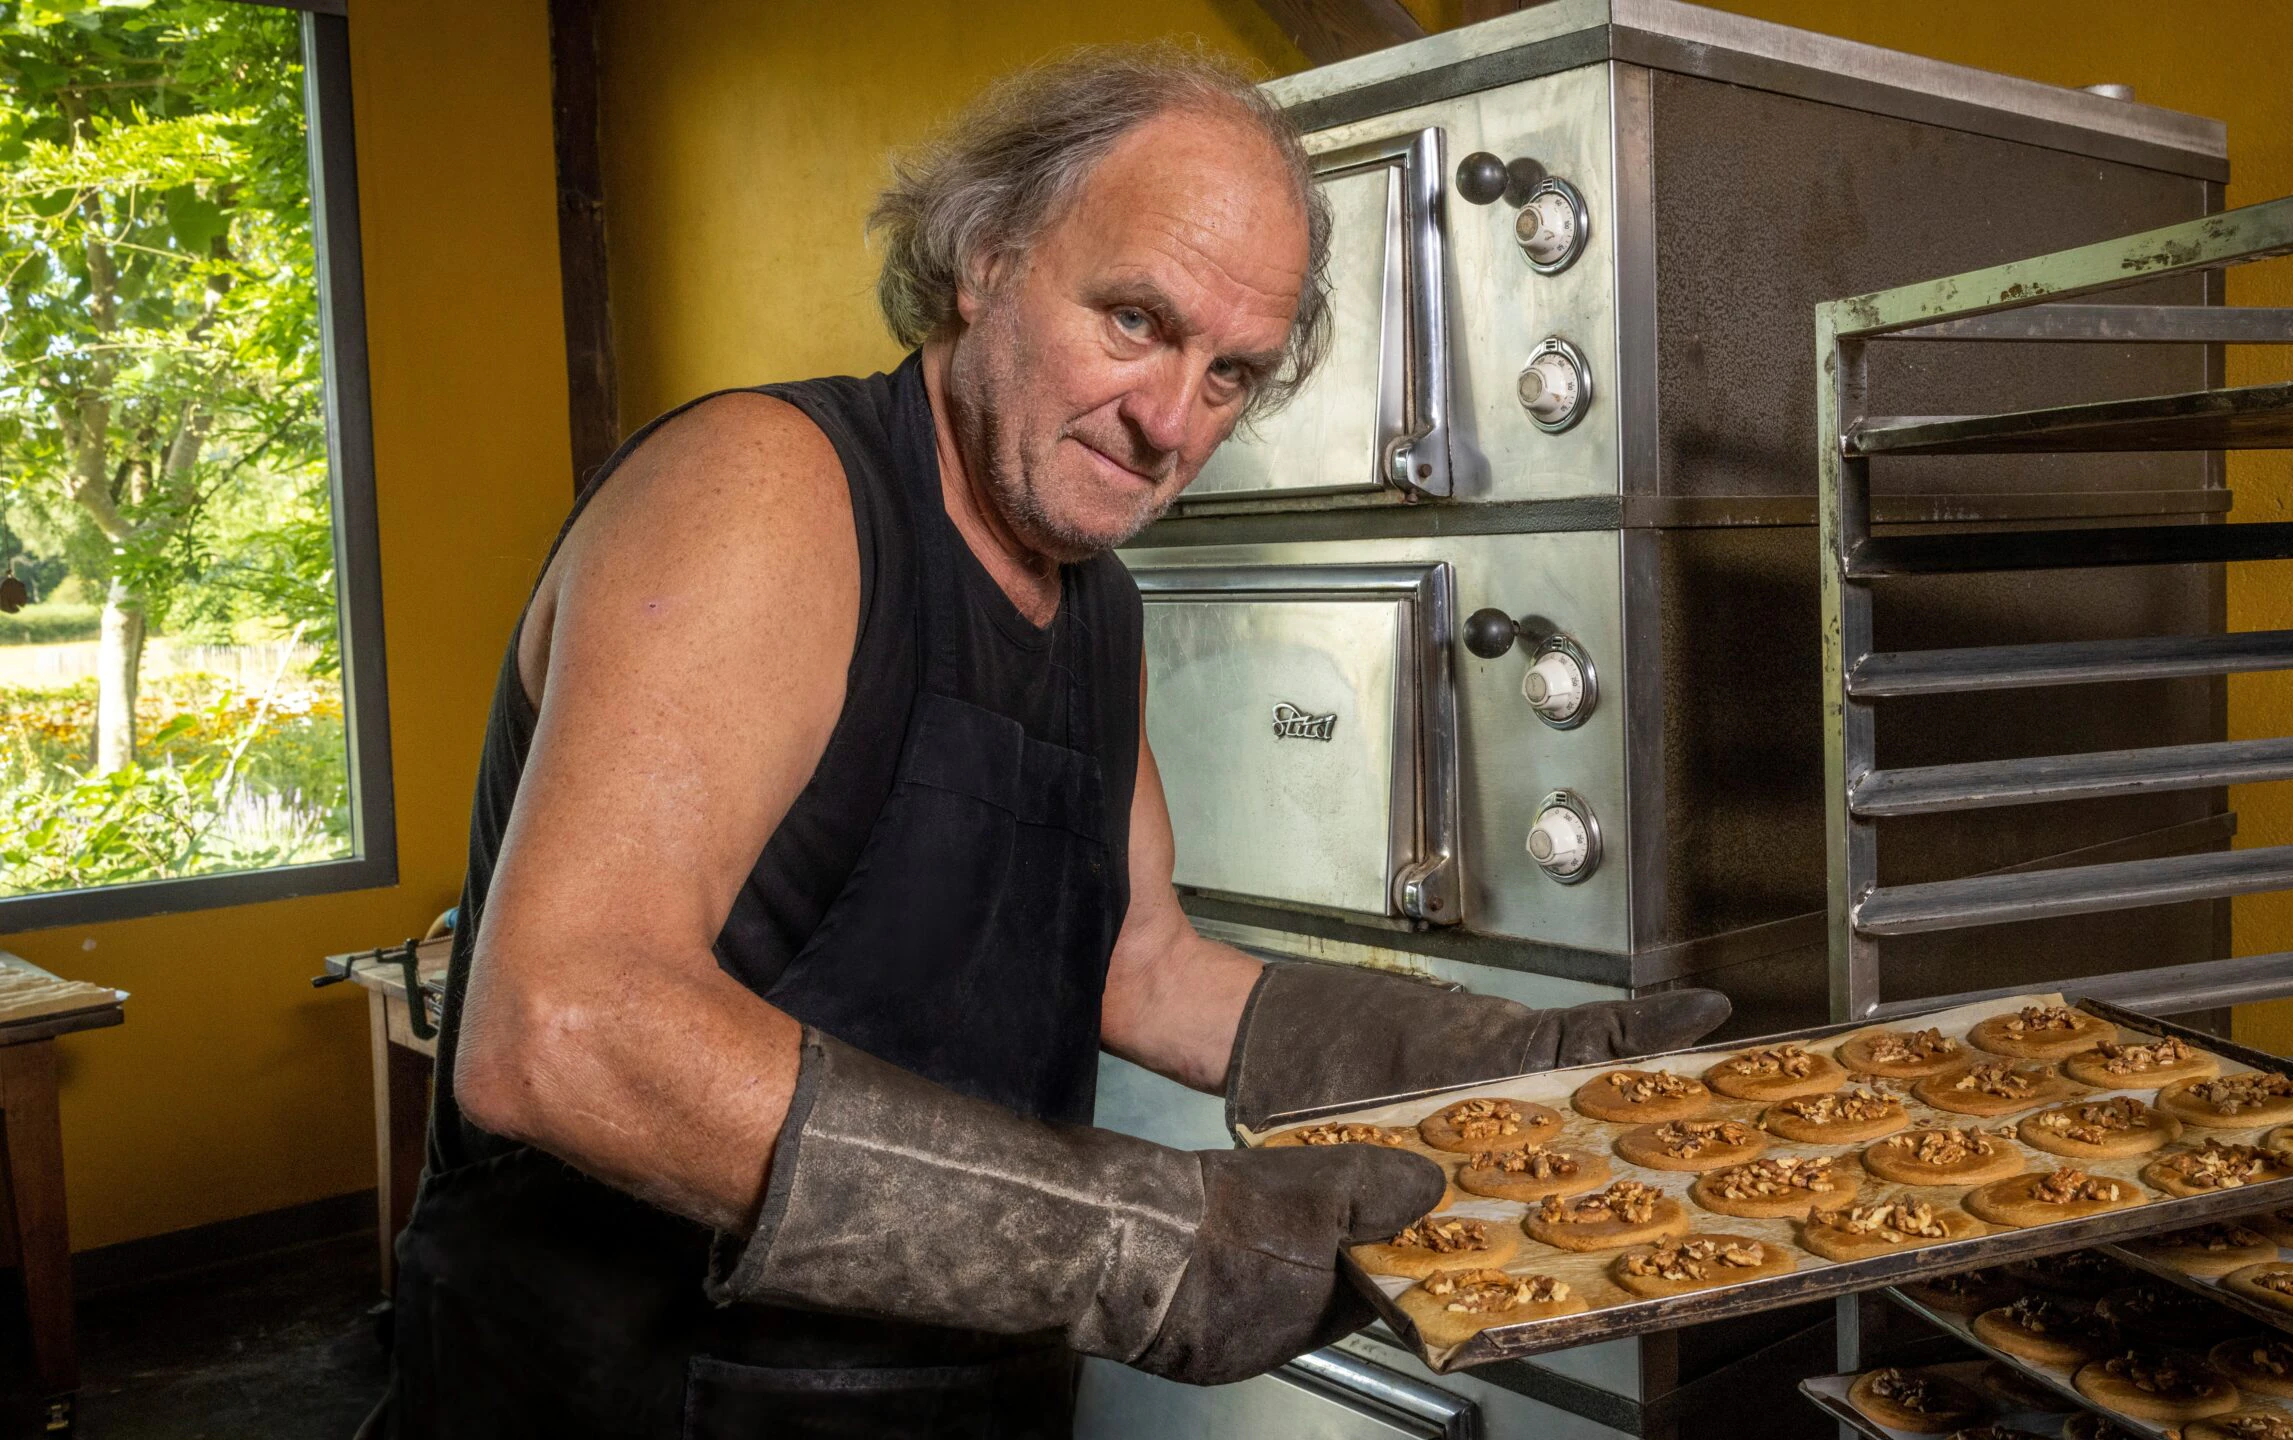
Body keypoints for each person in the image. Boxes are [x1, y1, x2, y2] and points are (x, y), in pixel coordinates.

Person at [371, 43, 1731, 1440]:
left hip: (957, 1400)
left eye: (1231, 374)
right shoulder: (765, 491)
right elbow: (562, 1030)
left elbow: (1143, 971)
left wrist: (1513, 1055)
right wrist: (1136, 1244)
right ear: (987, 257)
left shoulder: (1096, 606)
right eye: (1136, 320)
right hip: (621, 1401)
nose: (1167, 422)